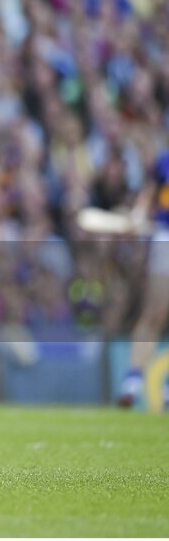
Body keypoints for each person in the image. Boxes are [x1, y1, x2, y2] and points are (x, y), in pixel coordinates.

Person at [116, 149, 169, 409]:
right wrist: (138, 214)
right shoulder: (163, 160)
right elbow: (149, 192)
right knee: (155, 310)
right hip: (165, 238)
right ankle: (133, 379)